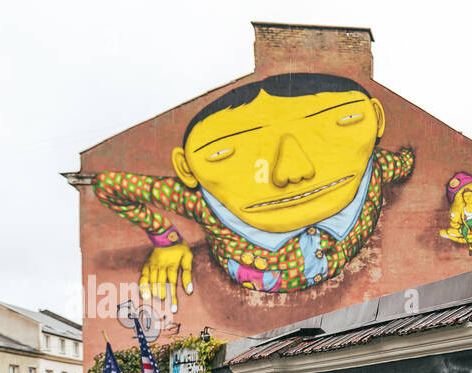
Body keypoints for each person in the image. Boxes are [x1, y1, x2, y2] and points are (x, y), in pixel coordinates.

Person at [93, 73, 415, 310]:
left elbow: (408, 161)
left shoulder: (375, 170)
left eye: (344, 122)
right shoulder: (199, 202)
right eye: (224, 153)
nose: (292, 169)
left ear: (376, 119)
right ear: (186, 168)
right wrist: (165, 239)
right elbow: (109, 187)